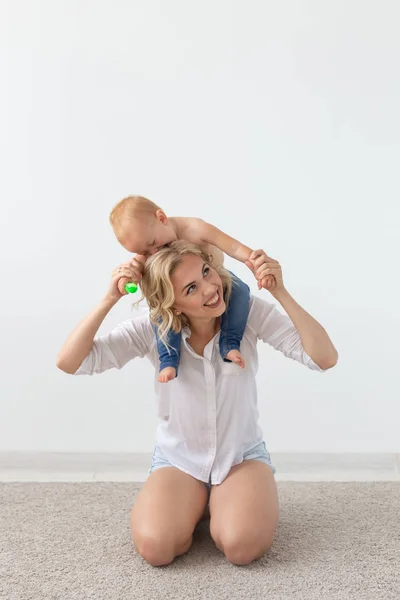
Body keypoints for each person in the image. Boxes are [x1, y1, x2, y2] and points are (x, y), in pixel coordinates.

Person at [56, 241, 338, 567]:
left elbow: (324, 358)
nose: (210, 289)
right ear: (173, 305)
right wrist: (109, 298)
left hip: (240, 457)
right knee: (156, 548)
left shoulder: (247, 313)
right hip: (180, 460)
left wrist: (282, 293)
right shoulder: (153, 330)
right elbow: (71, 362)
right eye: (191, 288)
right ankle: (198, 501)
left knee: (241, 546)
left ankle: (221, 502)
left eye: (206, 272)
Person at [109, 195, 274, 383]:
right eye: (144, 252)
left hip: (215, 277)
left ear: (161, 218)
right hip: (178, 295)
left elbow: (234, 248)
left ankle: (230, 343)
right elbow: (134, 269)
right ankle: (168, 359)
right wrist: (125, 279)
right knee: (162, 312)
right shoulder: (148, 245)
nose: (153, 254)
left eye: (154, 244)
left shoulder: (195, 229)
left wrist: (257, 265)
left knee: (240, 291)